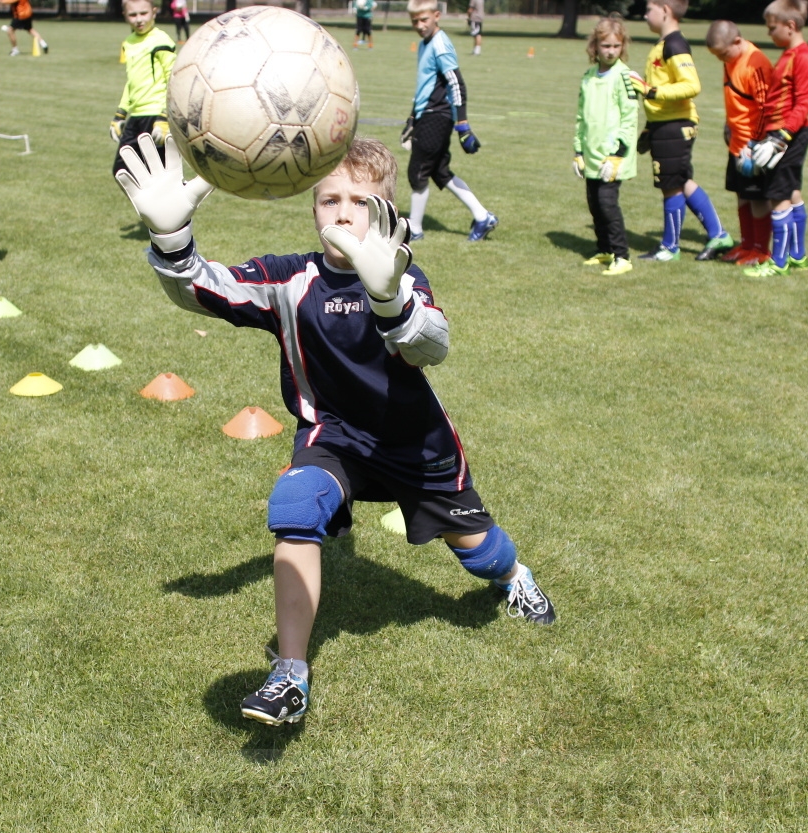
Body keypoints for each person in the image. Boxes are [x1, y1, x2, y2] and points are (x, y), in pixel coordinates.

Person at [113, 135, 557, 726]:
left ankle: (516, 578)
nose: (343, 214)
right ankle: (290, 675)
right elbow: (203, 289)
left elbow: (432, 346)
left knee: (481, 554)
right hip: (333, 437)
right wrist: (171, 239)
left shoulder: (403, 277)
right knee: (295, 504)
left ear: (387, 213)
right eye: (329, 200)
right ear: (312, 207)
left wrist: (389, 299)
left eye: (359, 202)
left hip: (414, 444)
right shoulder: (290, 278)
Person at [630, 0, 734, 261]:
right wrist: (650, 127)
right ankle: (719, 235)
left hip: (675, 125)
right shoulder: (663, 44)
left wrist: (651, 91)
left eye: (649, 9)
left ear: (665, 10)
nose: (645, 15)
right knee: (681, 181)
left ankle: (670, 247)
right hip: (664, 124)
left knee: (671, 186)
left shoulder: (675, 45)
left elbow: (691, 85)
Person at [403, 0, 498, 242]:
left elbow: (456, 83)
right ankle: (482, 216)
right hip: (426, 113)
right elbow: (425, 86)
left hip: (437, 115)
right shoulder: (425, 44)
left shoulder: (440, 44)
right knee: (439, 171)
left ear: (437, 16)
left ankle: (414, 228)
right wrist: (412, 118)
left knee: (418, 171)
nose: (420, 25)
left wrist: (462, 125)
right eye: (415, 21)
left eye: (424, 19)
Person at [743, 0, 808, 277]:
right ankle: (797, 256)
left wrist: (782, 137)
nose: (769, 33)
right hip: (779, 134)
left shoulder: (803, 57)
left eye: (772, 28)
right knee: (791, 191)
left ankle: (779, 262)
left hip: (789, 135)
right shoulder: (788, 54)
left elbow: (805, 101)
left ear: (790, 25)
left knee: (778, 196)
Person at [573, 16, 639, 276]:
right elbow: (581, 117)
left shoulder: (624, 76)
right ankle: (605, 249)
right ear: (595, 46)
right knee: (594, 204)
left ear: (623, 46)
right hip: (591, 154)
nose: (611, 51)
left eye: (616, 46)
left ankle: (622, 256)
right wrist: (578, 151)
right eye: (606, 46)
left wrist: (617, 154)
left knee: (607, 203)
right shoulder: (588, 77)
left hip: (612, 157)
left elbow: (629, 118)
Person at [705, 20, 774, 267]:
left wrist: (755, 143)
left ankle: (760, 250)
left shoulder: (756, 64)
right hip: (736, 142)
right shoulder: (730, 59)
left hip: (753, 147)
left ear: (737, 41)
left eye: (723, 54)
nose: (721, 60)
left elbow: (766, 109)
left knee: (757, 198)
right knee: (742, 195)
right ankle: (746, 245)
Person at [110, 0, 176, 176]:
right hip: (136, 117)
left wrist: (165, 116)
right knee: (122, 170)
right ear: (125, 16)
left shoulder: (161, 40)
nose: (139, 19)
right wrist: (120, 114)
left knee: (160, 174)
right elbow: (131, 81)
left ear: (154, 12)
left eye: (143, 13)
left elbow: (174, 80)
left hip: (156, 116)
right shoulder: (128, 42)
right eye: (133, 15)